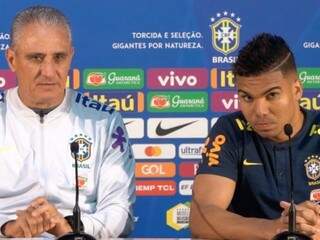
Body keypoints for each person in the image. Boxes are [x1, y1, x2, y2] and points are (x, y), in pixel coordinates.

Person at [0, 5, 135, 238]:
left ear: (71, 57)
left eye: (59, 58)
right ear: (12, 59)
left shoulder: (104, 121)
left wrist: (70, 227)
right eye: (36, 58)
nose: (49, 71)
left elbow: (121, 211)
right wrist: (7, 227)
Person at [190, 33, 320, 240]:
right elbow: (201, 218)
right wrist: (277, 229)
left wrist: (313, 226)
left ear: (296, 90)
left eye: (272, 95)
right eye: (247, 97)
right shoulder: (231, 129)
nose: (259, 111)